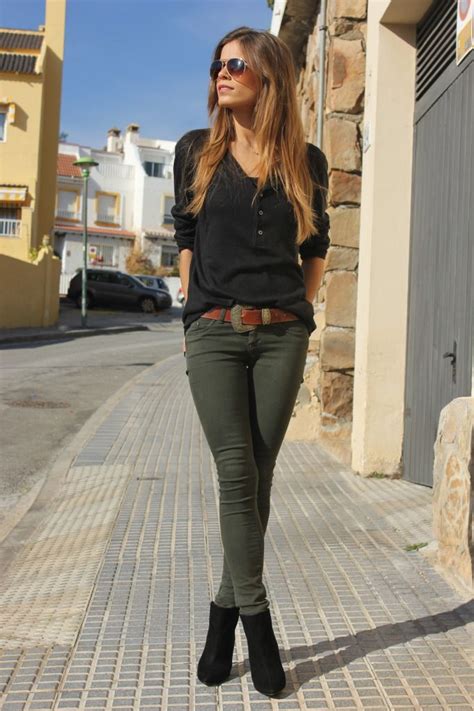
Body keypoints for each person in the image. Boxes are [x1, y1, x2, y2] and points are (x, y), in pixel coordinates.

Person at [171, 26, 330, 698]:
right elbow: (184, 236)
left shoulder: (308, 161)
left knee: (257, 478)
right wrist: (191, 307)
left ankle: (220, 619)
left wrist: (296, 309)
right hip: (212, 331)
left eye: (235, 64)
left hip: (280, 337)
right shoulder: (194, 153)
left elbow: (315, 247)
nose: (221, 74)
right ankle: (259, 626)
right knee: (235, 468)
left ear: (268, 76)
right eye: (218, 66)